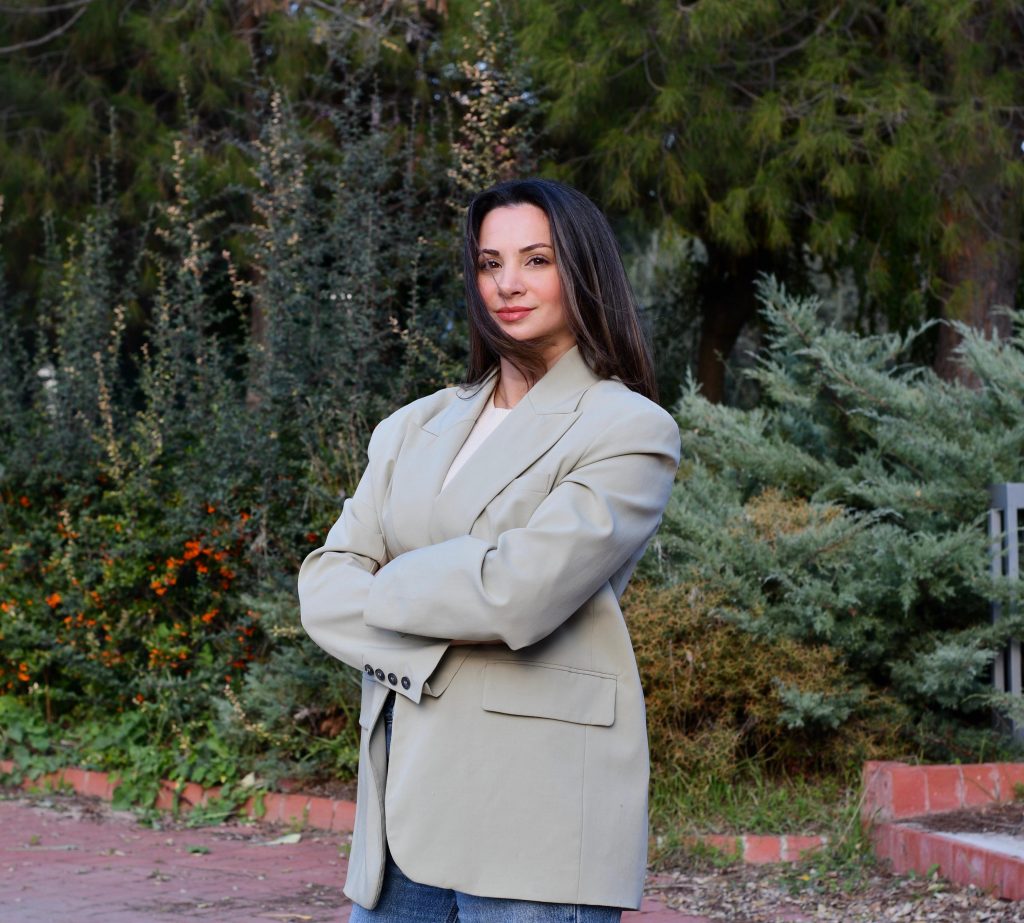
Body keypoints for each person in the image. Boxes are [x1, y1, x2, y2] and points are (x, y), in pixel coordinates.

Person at [298, 178, 681, 922]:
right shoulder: (413, 426)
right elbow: (322, 584)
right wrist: (447, 597)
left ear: (582, 271)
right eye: (488, 263)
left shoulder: (628, 428)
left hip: (536, 811)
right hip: (400, 810)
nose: (508, 284)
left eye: (536, 260)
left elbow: (518, 595)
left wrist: (386, 583)